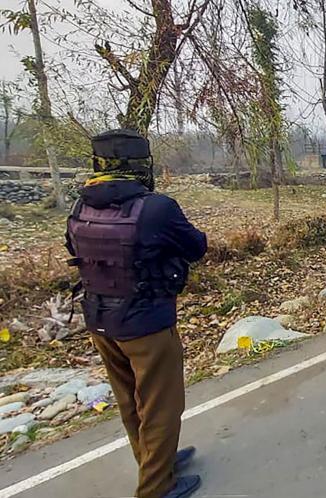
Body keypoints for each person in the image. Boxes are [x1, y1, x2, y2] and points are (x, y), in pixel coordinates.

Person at [65, 129, 207, 498]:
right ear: (142, 166)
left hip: (99, 320)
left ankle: (157, 462)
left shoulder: (79, 206)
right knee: (160, 406)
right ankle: (156, 488)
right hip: (147, 325)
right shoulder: (158, 208)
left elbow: (74, 248)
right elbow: (196, 247)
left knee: (130, 402)